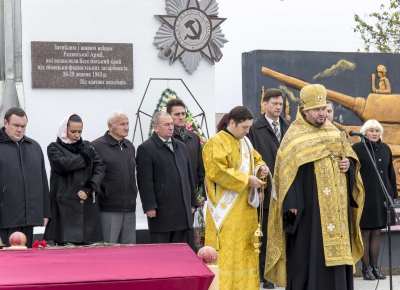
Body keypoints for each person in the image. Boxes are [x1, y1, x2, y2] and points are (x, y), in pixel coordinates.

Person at [265, 84, 365, 290]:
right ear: (306, 110)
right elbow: (285, 172)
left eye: (324, 109)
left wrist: (349, 165)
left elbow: (350, 158)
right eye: (317, 110)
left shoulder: (335, 132)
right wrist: (291, 203)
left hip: (337, 213)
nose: (322, 114)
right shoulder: (294, 136)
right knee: (310, 255)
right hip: (310, 210)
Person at [202, 106, 269, 290]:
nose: (248, 131)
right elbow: (216, 171)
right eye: (244, 127)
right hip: (226, 213)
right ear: (232, 122)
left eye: (249, 127)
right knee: (227, 253)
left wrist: (261, 169)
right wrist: (247, 179)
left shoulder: (246, 142)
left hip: (245, 211)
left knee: (245, 253)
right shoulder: (215, 142)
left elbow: (257, 160)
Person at [247, 88, 290, 289]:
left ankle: (285, 272)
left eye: (280, 104)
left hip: (286, 190)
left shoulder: (288, 127)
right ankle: (267, 275)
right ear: (264, 104)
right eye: (274, 103)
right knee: (265, 233)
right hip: (266, 191)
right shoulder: (255, 128)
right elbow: (250, 161)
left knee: (285, 233)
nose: (278, 107)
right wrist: (258, 188)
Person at [136, 112, 198, 244]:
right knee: (162, 253)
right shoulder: (146, 148)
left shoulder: (181, 146)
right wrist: (149, 206)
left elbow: (189, 177)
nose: (171, 127)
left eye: (171, 124)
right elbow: (144, 181)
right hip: (161, 212)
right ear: (156, 128)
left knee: (181, 252)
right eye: (166, 125)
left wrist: (193, 201)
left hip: (182, 210)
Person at [44, 114, 105, 245]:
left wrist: (90, 188)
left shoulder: (87, 146)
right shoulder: (54, 148)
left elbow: (99, 167)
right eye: (73, 131)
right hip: (64, 209)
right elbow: (65, 165)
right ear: (63, 130)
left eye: (80, 131)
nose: (77, 135)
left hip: (87, 207)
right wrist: (86, 157)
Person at [352, 119, 397, 280]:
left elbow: (390, 171)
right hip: (365, 196)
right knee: (365, 232)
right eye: (371, 130)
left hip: (381, 196)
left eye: (377, 131)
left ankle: (376, 266)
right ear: (364, 132)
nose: (374, 133)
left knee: (377, 231)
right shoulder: (357, 149)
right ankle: (366, 268)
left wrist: (392, 194)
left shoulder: (385, 149)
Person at [0, 107, 50, 248]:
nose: (20, 130)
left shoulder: (34, 147)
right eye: (16, 125)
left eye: (23, 126)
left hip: (30, 218)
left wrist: (45, 212)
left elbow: (43, 182)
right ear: (6, 123)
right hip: (6, 218)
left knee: (28, 262)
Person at [92, 110, 138, 244]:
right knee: (109, 249)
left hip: (129, 208)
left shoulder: (129, 146)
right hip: (108, 208)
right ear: (110, 126)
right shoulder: (97, 146)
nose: (126, 127)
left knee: (129, 251)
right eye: (122, 124)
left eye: (128, 123)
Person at [166, 99, 205, 251]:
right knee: (172, 240)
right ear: (169, 116)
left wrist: (202, 193)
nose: (181, 117)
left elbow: (200, 168)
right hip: (171, 197)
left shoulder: (193, 138)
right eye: (177, 114)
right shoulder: (166, 139)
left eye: (183, 114)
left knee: (188, 239)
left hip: (190, 197)